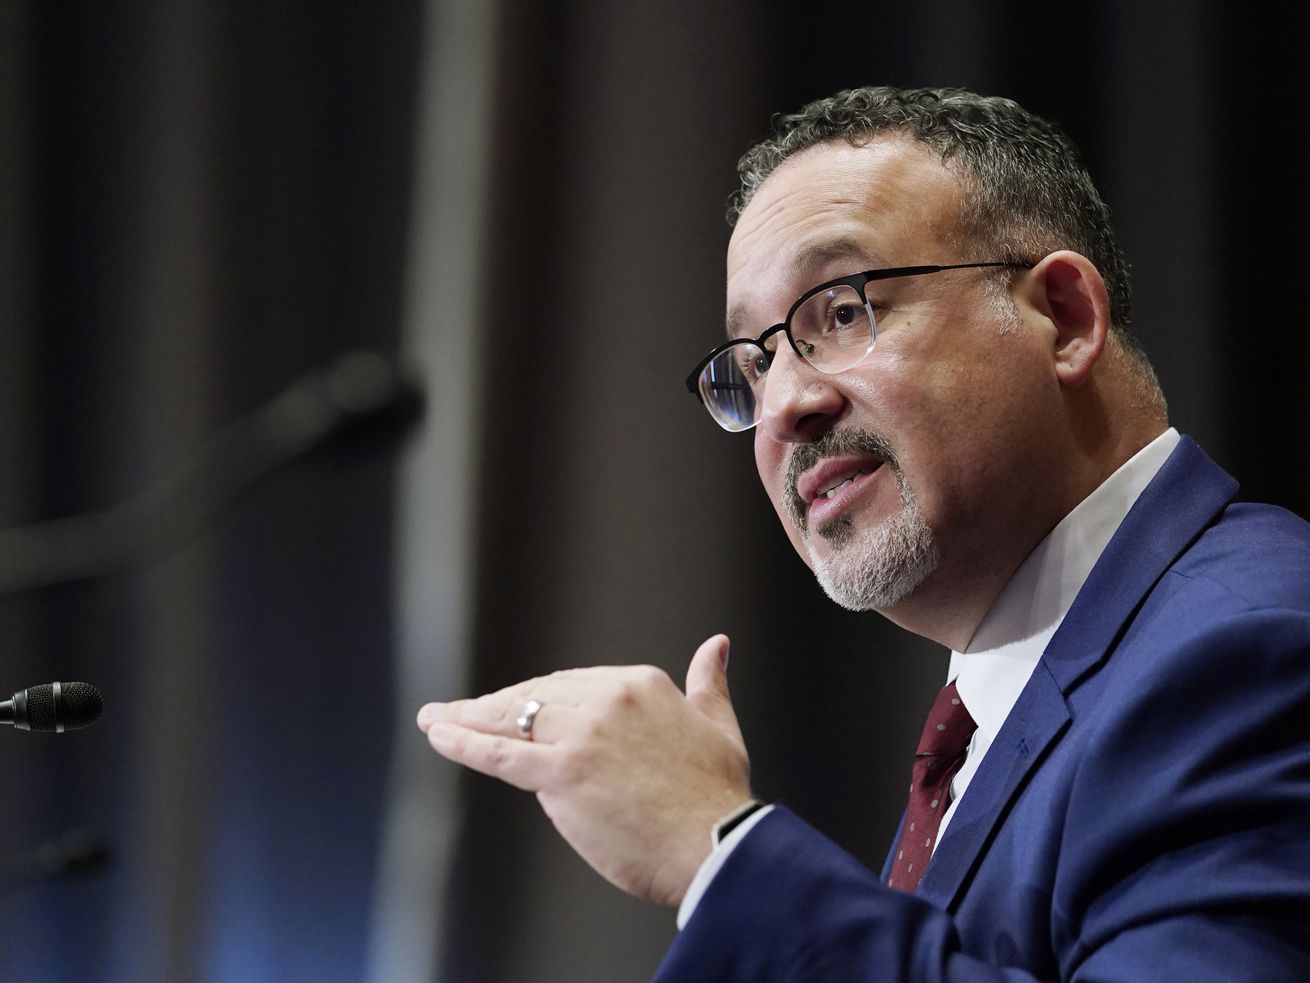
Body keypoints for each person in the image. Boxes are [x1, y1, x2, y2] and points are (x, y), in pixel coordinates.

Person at [416, 86, 1310, 980]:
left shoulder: (1252, 649)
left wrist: (718, 849)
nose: (786, 408)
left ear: (1066, 318)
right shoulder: (998, 711)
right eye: (755, 365)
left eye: (842, 311)